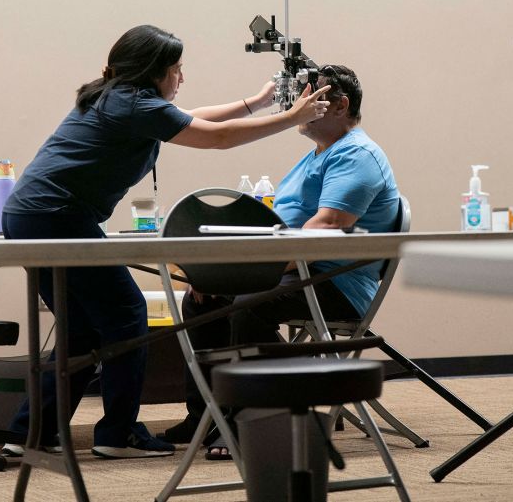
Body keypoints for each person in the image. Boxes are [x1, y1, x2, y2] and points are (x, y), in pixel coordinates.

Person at [0, 24, 331, 460]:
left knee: (83, 329)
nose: (181, 78)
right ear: (152, 72)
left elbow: (197, 119)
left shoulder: (116, 96)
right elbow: (217, 138)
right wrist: (292, 118)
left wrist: (258, 102)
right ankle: (117, 435)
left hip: (32, 214)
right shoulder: (132, 104)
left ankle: (32, 431)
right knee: (125, 314)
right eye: (176, 70)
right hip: (57, 217)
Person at [160, 63, 399, 459]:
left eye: (310, 95)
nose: (299, 104)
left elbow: (323, 231)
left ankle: (248, 421)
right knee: (201, 300)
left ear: (339, 105)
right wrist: (219, 274)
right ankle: (206, 414)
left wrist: (241, 276)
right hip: (297, 274)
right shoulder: (318, 155)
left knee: (247, 305)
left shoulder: (357, 155)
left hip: (334, 282)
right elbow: (279, 227)